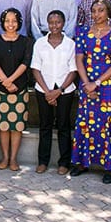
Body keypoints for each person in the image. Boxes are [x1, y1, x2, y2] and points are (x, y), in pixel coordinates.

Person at [71, 0, 111, 183]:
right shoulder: (82, 33)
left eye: (101, 10)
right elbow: (79, 59)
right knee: (86, 120)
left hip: (107, 85)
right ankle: (82, 162)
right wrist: (87, 83)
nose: (97, 14)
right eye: (94, 10)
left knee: (107, 123)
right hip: (86, 83)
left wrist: (96, 83)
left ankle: (109, 167)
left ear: (109, 12)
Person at [30, 10, 77, 175]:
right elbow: (35, 68)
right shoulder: (40, 43)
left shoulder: (70, 44)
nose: (54, 25)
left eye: (58, 22)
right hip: (43, 89)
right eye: (51, 22)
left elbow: (73, 71)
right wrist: (47, 91)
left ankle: (64, 163)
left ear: (63, 24)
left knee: (64, 126)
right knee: (45, 126)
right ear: (47, 24)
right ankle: (43, 161)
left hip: (65, 90)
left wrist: (59, 91)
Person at [0, 8, 33, 171]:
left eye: (14, 21)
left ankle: (14, 159)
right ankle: (5, 158)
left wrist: (11, 80)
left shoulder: (26, 41)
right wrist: (5, 82)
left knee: (17, 126)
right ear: (2, 23)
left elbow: (25, 62)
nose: (10, 24)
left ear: (19, 23)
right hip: (0, 90)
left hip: (19, 88)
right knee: (3, 126)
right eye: (7, 21)